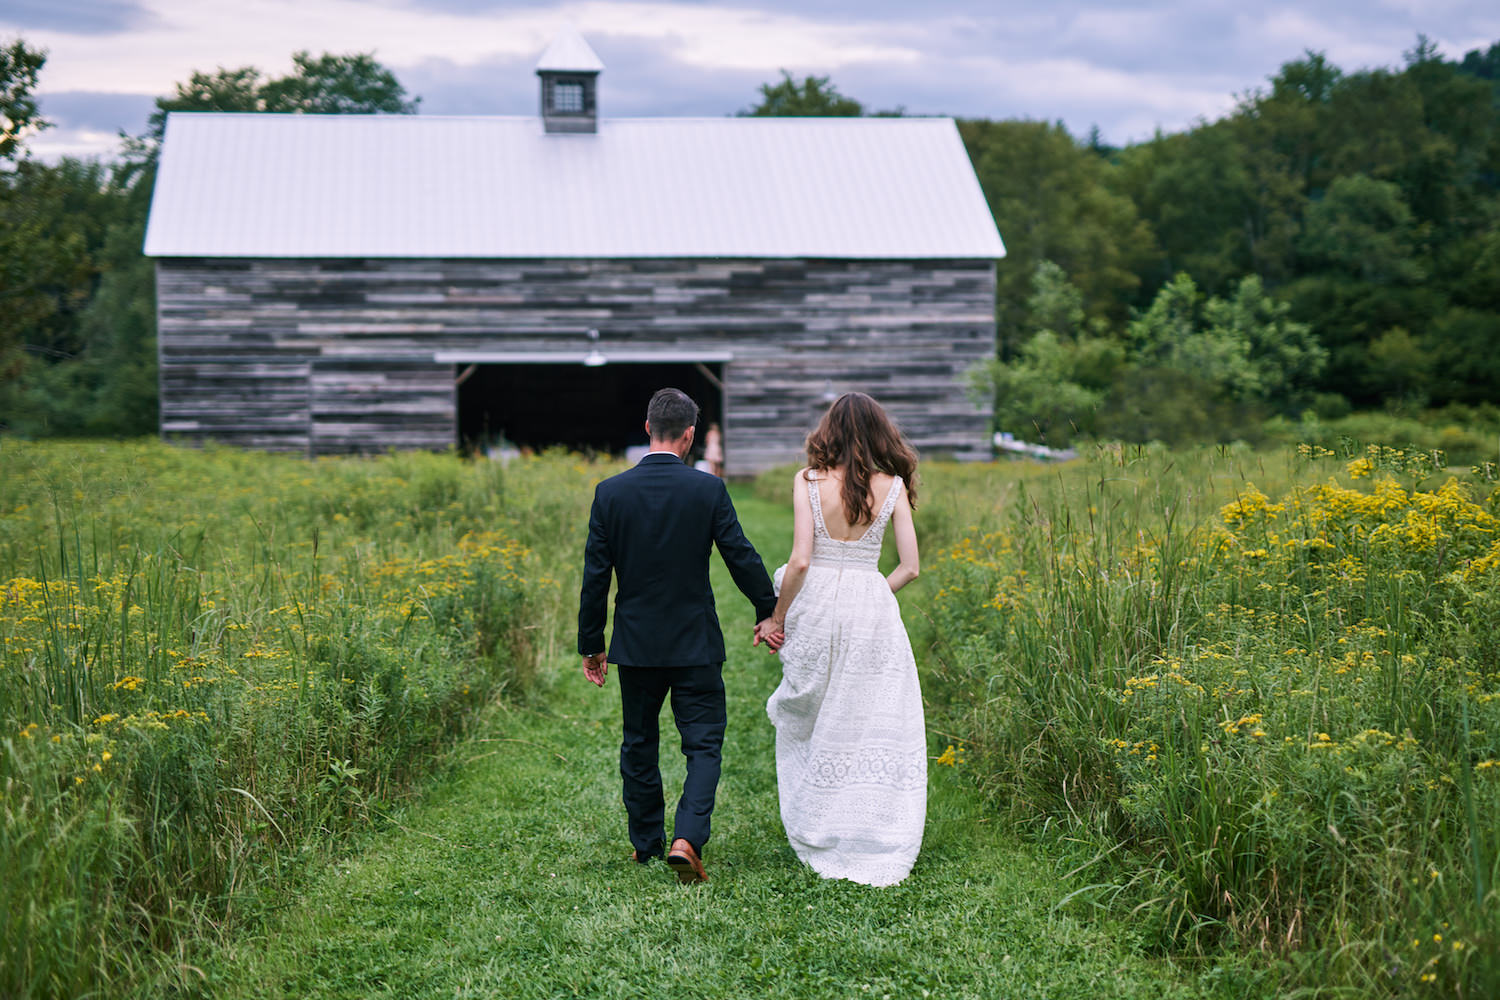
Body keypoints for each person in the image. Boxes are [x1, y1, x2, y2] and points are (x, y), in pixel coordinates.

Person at [578, 388, 781, 884]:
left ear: (648, 428)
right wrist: (769, 611)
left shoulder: (610, 492)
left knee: (639, 743)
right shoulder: (707, 490)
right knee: (704, 745)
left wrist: (592, 643)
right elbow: (740, 555)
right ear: (690, 435)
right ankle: (686, 838)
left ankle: (646, 844)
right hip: (695, 643)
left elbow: (596, 576)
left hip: (637, 645)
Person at [764, 392, 925, 887]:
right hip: (872, 606)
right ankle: (873, 824)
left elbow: (801, 561)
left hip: (819, 604)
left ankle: (821, 818)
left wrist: (777, 617)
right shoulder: (893, 486)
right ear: (881, 433)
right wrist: (874, 590)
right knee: (870, 714)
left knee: (815, 710)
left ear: (829, 430)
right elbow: (911, 567)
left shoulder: (809, 481)